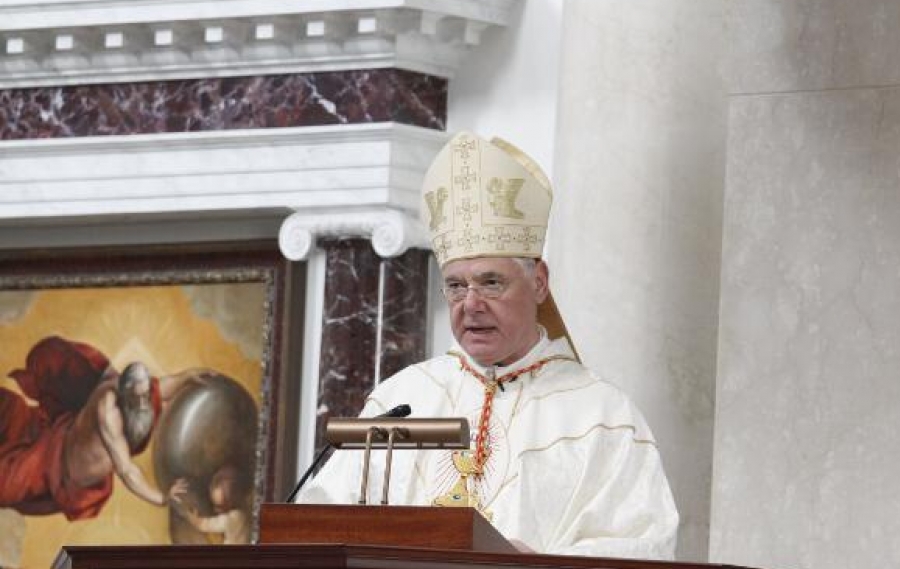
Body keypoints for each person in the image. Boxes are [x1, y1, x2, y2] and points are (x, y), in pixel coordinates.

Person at [296, 132, 679, 560]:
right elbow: (316, 529)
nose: (471, 304)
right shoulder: (402, 398)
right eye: (456, 286)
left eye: (491, 283)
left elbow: (646, 547)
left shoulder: (602, 415)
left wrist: (533, 564)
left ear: (538, 283)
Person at [0, 336, 202, 520]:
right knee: (6, 486)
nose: (144, 403)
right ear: (123, 392)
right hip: (54, 463)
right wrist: (161, 498)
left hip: (69, 463)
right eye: (137, 398)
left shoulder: (139, 393)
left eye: (145, 396)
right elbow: (126, 470)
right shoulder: (108, 412)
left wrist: (187, 376)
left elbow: (163, 386)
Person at [170, 465, 250, 544]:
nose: (215, 510)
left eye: (220, 506)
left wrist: (191, 516)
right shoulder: (246, 510)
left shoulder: (231, 520)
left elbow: (203, 524)